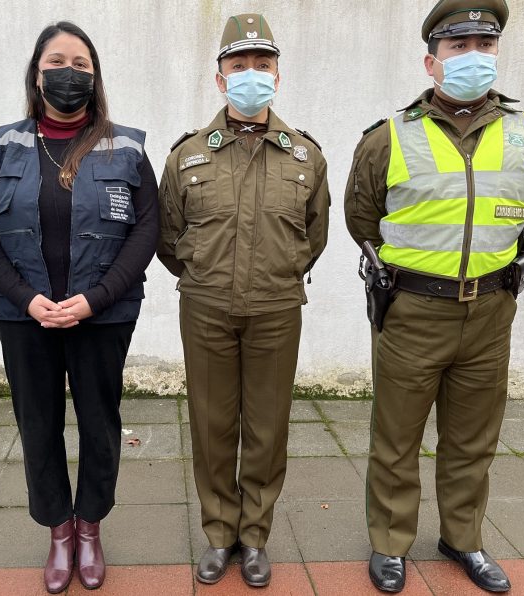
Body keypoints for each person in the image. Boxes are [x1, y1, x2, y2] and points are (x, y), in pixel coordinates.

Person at [344, 0, 524, 592]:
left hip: (491, 311)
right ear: (431, 62)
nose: (473, 58)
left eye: (484, 47)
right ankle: (390, 543)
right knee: (396, 438)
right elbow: (363, 220)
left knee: (473, 439)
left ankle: (462, 538)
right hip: (413, 310)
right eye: (457, 48)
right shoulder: (388, 137)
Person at [0, 21, 159, 594]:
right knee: (39, 424)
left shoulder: (127, 147)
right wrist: (28, 298)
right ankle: (58, 529)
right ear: (36, 71)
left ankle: (91, 525)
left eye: (81, 64)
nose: (68, 73)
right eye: (57, 61)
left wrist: (93, 300)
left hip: (103, 315)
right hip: (26, 317)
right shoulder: (0, 146)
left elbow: (147, 230)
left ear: (95, 79)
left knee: (100, 423)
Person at [157, 13, 329, 588]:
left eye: (262, 64)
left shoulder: (304, 156)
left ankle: (254, 537)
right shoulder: (186, 156)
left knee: (266, 427)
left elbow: (314, 234)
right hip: (204, 306)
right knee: (210, 425)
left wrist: (277, 274)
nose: (250, 74)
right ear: (219, 77)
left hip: (277, 309)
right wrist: (206, 275)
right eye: (239, 65)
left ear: (277, 75)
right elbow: (167, 236)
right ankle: (219, 533)